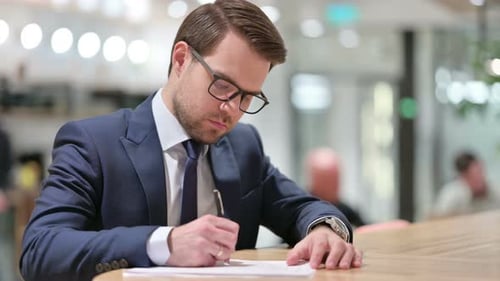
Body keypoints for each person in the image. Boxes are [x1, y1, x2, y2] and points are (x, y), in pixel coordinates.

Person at [19, 1, 362, 281]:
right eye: (223, 85)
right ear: (181, 59)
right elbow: (41, 250)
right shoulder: (95, 144)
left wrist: (324, 231)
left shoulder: (243, 147)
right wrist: (163, 243)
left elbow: (303, 207)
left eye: (247, 97)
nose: (231, 109)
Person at [305, 147, 367, 228]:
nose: (333, 185)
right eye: (327, 180)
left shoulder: (346, 211)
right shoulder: (301, 209)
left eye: (335, 179)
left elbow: (365, 229)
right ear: (313, 180)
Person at [432, 151, 500, 218]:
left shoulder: (495, 189)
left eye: (480, 173)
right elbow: (433, 218)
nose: (479, 179)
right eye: (472, 177)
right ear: (462, 178)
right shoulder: (452, 195)